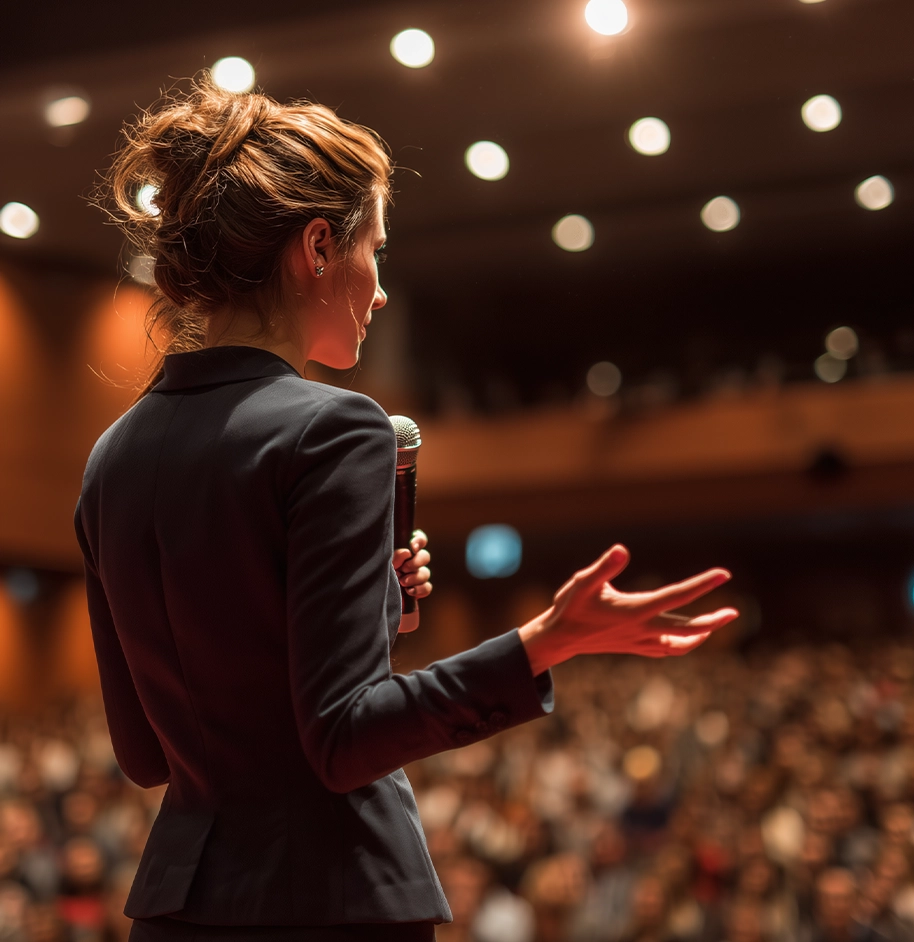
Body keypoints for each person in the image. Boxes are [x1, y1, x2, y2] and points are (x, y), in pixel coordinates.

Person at [75, 75, 740, 941]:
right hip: (330, 904)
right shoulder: (335, 428)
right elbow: (344, 740)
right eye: (375, 250)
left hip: (177, 910)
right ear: (318, 247)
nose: (381, 289)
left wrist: (369, 603)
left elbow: (144, 752)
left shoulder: (111, 458)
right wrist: (548, 640)